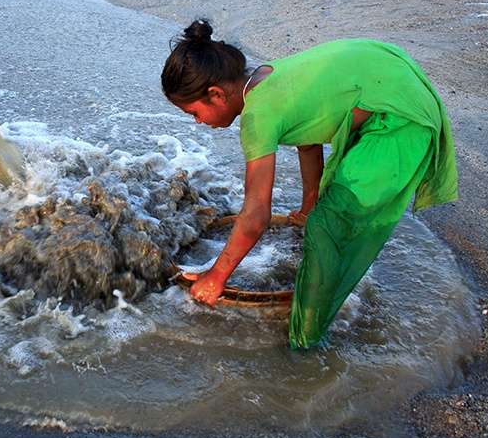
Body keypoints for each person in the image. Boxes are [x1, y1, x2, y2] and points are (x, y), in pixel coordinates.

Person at [162, 19, 457, 350]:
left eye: (195, 113)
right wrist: (307, 207)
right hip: (389, 72)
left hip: (400, 114)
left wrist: (215, 277)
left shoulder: (257, 119)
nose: (199, 122)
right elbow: (308, 140)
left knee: (330, 226)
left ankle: (306, 344)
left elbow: (256, 215)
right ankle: (320, 275)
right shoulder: (266, 76)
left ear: (216, 94)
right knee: (318, 216)